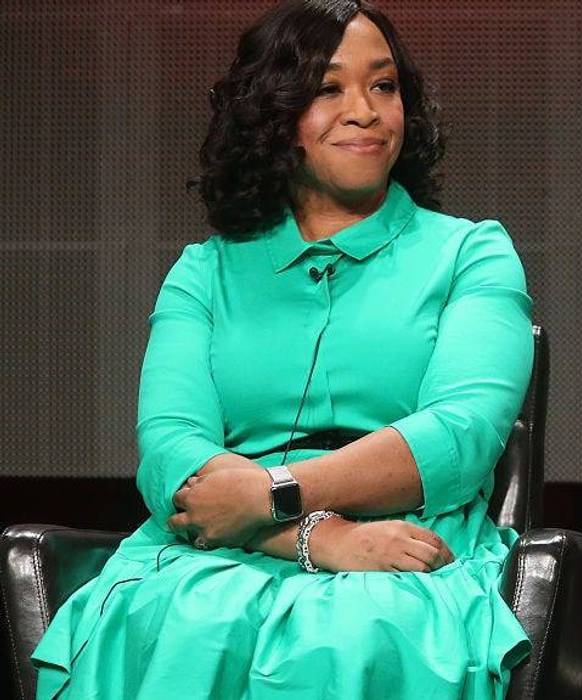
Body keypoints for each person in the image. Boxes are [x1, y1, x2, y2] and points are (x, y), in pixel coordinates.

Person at [32, 2, 534, 698]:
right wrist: (312, 537)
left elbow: (460, 435)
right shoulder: (202, 273)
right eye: (329, 89)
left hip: (404, 540)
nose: (365, 111)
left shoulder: (471, 252)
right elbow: (171, 448)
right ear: (271, 115)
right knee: (171, 618)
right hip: (223, 545)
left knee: (351, 635)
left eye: (383, 86)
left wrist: (273, 493)